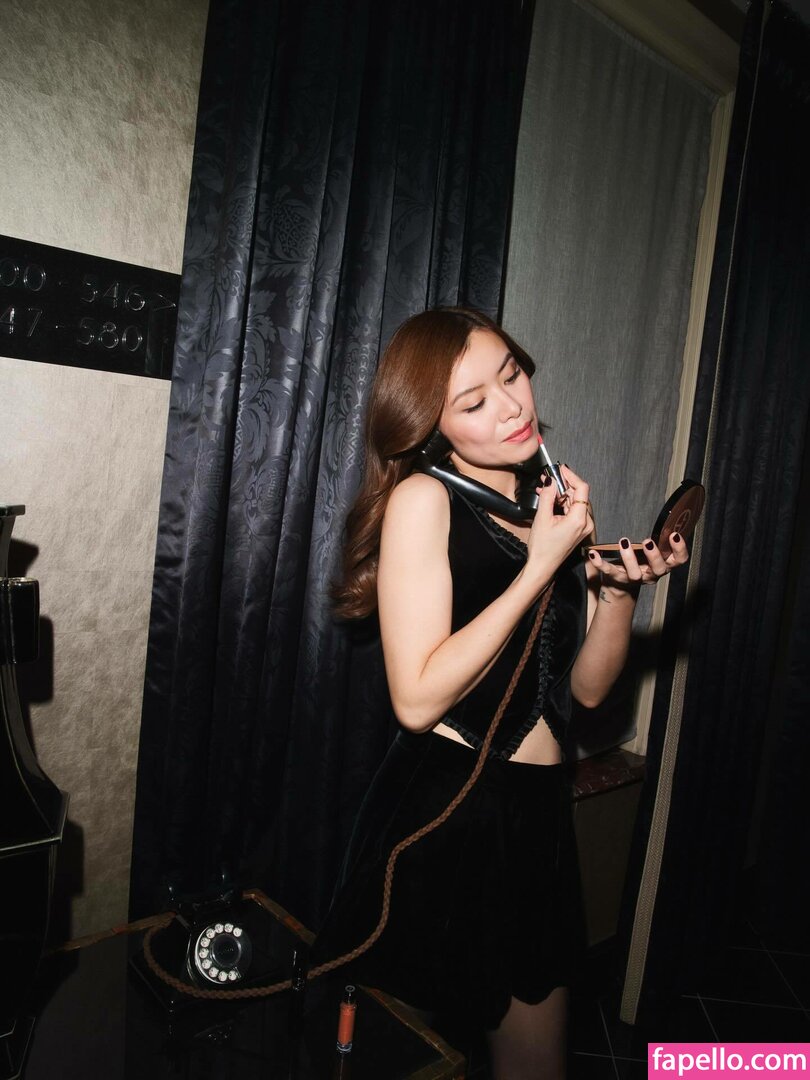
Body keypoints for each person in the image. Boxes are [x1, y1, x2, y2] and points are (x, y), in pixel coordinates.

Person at [314, 307, 688, 1079]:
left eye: (510, 374)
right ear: (434, 425)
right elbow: (417, 700)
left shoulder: (549, 501)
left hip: (537, 815)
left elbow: (586, 691)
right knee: (397, 1059)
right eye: (474, 401)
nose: (511, 405)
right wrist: (540, 568)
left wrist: (618, 593)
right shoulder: (424, 500)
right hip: (447, 811)